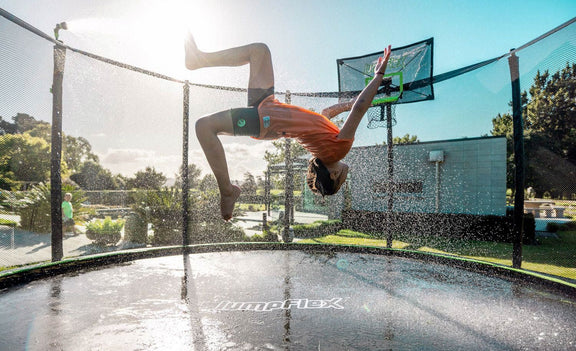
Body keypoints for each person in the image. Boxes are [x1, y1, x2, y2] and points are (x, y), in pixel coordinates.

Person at [187, 33, 391, 220]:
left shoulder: (338, 150)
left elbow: (359, 109)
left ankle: (228, 192)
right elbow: (326, 114)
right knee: (259, 51)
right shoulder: (326, 147)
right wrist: (348, 104)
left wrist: (378, 77)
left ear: (334, 175)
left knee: (204, 126)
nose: (345, 177)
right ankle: (199, 60)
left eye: (342, 182)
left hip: (266, 120)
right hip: (268, 106)